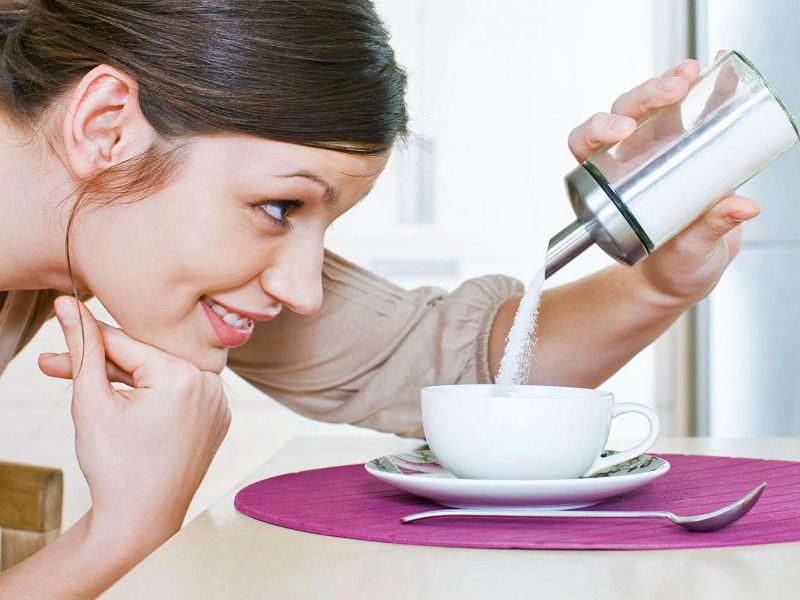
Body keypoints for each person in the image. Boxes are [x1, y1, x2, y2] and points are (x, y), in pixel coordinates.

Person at [0, 1, 758, 597]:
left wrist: (661, 276)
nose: (299, 289)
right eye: (278, 208)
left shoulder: (119, 235)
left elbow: (438, 368)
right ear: (105, 126)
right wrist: (124, 532)